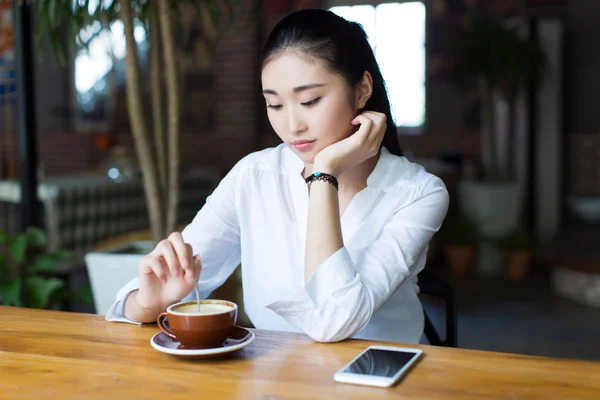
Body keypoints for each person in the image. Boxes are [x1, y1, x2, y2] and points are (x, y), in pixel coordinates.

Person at [105, 8, 449, 344]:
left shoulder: (418, 193)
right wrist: (150, 303)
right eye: (275, 105)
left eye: (310, 101)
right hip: (273, 378)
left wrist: (324, 173)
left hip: (383, 380)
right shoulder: (253, 176)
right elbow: (141, 298)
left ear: (362, 89)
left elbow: (334, 320)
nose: (292, 126)